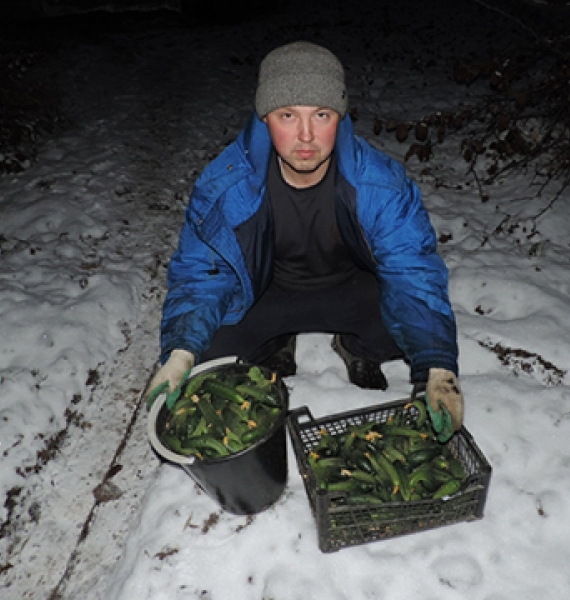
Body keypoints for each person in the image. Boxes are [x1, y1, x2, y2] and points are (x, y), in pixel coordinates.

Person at [147, 41, 464, 438]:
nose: (306, 135)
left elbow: (412, 270)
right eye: (287, 115)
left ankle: (357, 347)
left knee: (406, 331)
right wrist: (179, 353)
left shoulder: (378, 183)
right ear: (265, 119)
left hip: (350, 292)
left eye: (321, 114)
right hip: (267, 293)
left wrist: (439, 368)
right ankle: (275, 343)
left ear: (340, 117)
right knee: (211, 354)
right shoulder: (226, 184)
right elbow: (201, 274)